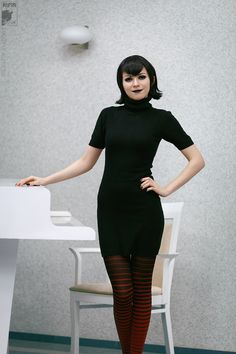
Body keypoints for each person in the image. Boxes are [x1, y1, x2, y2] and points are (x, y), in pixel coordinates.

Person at [16, 55, 205, 354]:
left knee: (140, 291)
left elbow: (197, 160)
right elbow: (85, 162)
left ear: (151, 79)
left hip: (145, 213)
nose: (135, 83)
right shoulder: (108, 116)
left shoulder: (162, 119)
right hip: (111, 212)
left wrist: (166, 188)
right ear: (121, 83)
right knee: (123, 291)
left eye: (141, 77)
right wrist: (45, 179)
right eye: (128, 78)